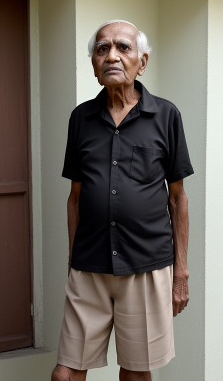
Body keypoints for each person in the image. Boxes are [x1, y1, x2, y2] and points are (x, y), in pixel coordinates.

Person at [52, 20, 194, 381]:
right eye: (102, 49)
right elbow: (75, 198)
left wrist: (181, 273)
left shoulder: (166, 116)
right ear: (94, 65)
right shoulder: (80, 119)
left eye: (122, 47)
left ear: (141, 63)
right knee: (65, 373)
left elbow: (177, 199)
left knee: (134, 374)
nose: (111, 56)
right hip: (89, 266)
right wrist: (73, 259)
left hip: (146, 264)